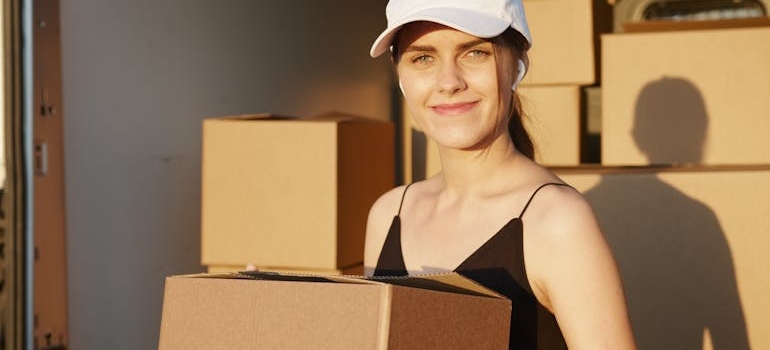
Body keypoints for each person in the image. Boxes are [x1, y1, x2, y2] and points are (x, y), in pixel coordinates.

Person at [363, 1, 637, 349]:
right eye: (423, 58)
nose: (449, 82)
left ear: (518, 65)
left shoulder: (557, 220)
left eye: (474, 53)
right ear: (401, 76)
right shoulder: (388, 214)